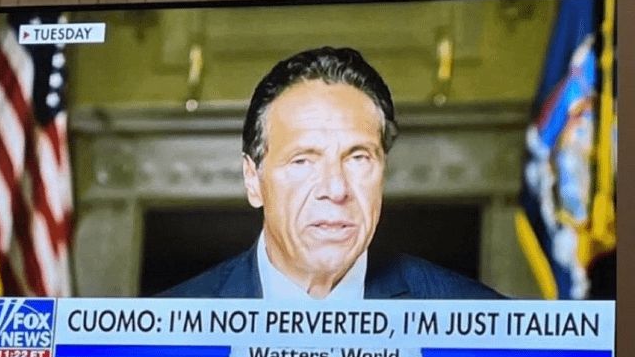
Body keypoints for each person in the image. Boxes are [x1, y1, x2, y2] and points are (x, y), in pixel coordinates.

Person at [162, 46, 502, 300]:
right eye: (302, 161)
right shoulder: (166, 332)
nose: (336, 189)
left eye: (358, 158)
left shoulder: (480, 321)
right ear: (253, 180)